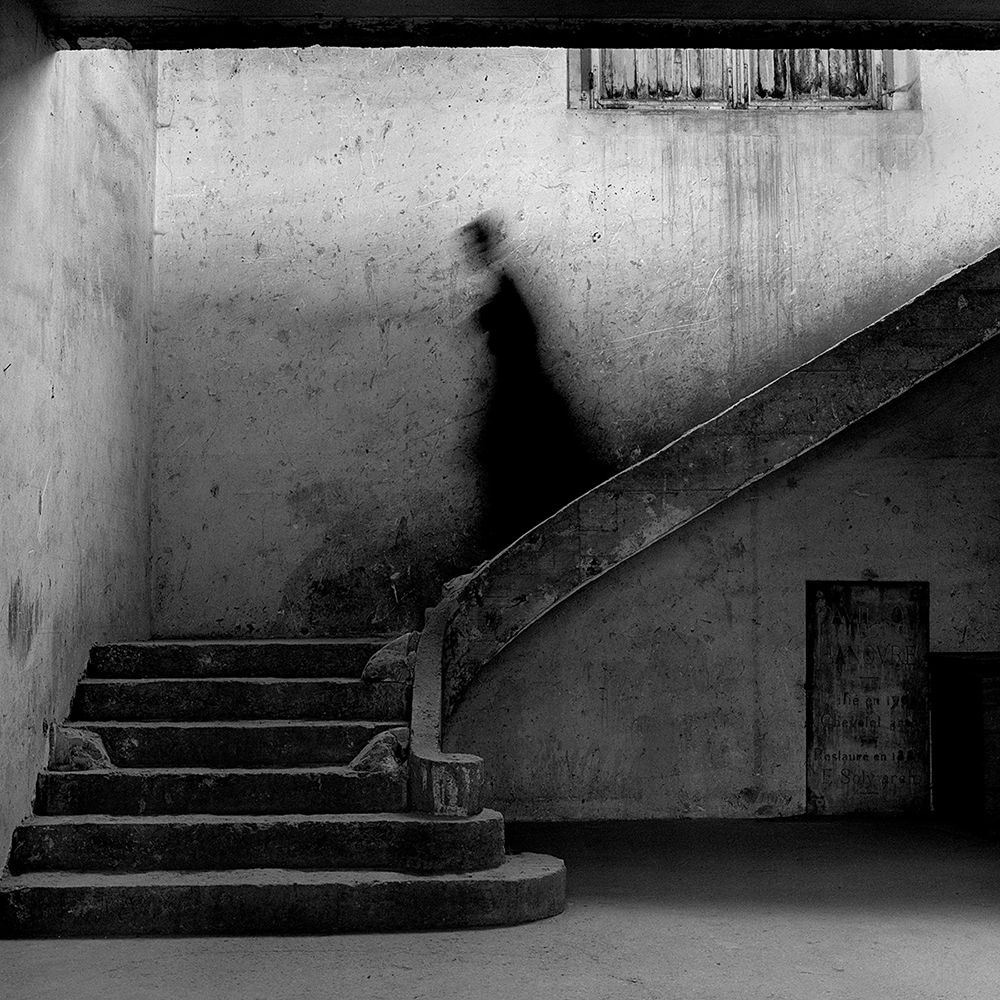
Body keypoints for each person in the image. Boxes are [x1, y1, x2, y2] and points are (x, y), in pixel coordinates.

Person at [460, 213, 610, 554]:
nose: (472, 253)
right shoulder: (500, 285)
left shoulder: (504, 284)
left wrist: (490, 322)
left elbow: (523, 335)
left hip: (521, 393)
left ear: (486, 245)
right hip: (519, 391)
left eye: (475, 244)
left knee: (529, 475)